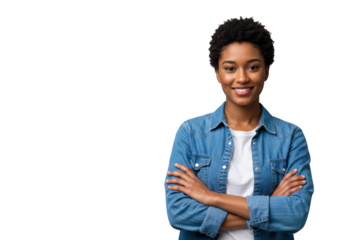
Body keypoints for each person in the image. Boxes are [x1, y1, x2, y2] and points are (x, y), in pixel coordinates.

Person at [164, 14, 314, 240]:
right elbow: (178, 214)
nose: (242, 78)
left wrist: (210, 197)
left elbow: (296, 216)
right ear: (217, 74)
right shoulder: (190, 132)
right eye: (230, 68)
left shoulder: (291, 136)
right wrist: (271, 207)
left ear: (267, 72)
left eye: (253, 67)